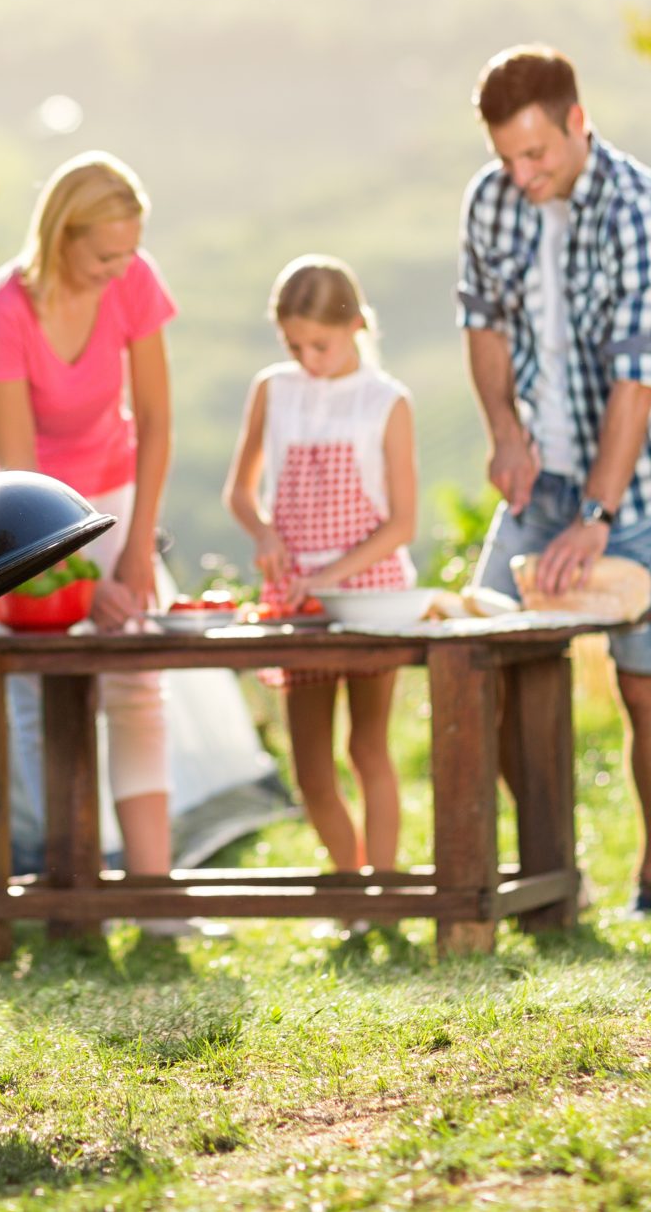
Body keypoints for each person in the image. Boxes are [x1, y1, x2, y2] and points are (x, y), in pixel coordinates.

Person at [455, 45, 651, 923]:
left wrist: (597, 515)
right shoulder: (492, 201)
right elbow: (482, 321)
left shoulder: (642, 211)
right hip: (545, 476)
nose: (521, 175)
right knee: (481, 658)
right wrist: (506, 433)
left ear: (577, 121)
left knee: (644, 683)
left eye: (537, 154)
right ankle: (554, 879)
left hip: (642, 483)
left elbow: (635, 382)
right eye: (507, 157)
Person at [0, 152, 193, 929]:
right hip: (15, 502)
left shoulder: (133, 278)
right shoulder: (5, 307)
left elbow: (155, 422)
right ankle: (74, 896)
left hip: (111, 485)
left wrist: (136, 550)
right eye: (103, 255)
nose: (119, 268)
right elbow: (24, 485)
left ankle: (154, 896)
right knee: (36, 690)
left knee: (136, 678)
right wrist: (88, 581)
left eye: (129, 252)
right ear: (61, 236)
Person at [223, 256, 418, 876]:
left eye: (322, 344)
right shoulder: (273, 390)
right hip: (295, 599)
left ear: (358, 324)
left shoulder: (386, 402)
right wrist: (263, 533)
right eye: (295, 344)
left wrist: (332, 575)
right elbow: (241, 491)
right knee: (310, 765)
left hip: (370, 596)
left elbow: (403, 525)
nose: (309, 358)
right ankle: (350, 883)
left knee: (367, 747)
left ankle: (382, 893)